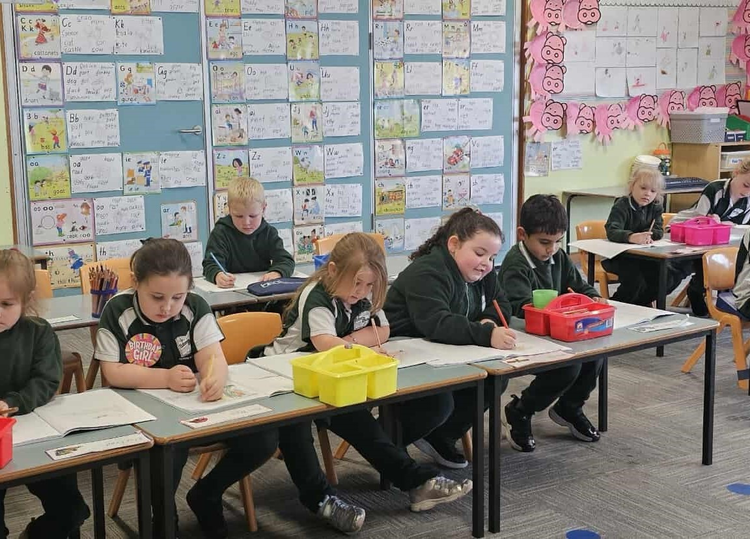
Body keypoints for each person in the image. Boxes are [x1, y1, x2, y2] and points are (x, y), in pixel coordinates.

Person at [258, 233, 472, 528]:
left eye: (369, 285)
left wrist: (349, 341)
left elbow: (382, 331)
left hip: (326, 376)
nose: (362, 291)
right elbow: (324, 343)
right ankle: (320, 499)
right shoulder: (316, 294)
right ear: (333, 271)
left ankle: (415, 482)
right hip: (281, 376)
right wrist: (354, 346)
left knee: (358, 418)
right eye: (356, 283)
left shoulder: (364, 293)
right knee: (295, 425)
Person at [95, 239, 277, 539]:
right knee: (166, 453)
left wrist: (214, 376)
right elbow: (112, 372)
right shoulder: (117, 310)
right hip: (141, 410)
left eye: (177, 297)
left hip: (190, 407)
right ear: (135, 283)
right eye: (156, 297)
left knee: (264, 438)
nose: (167, 307)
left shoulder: (196, 306)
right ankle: (165, 519)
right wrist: (164, 378)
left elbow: (213, 356)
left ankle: (207, 493)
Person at [384, 208, 516, 468]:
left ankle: (441, 435)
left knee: (495, 380)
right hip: (406, 356)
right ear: (454, 244)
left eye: (492, 257)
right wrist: (487, 333)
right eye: (479, 253)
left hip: (448, 352)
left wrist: (488, 320)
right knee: (439, 401)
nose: (486, 263)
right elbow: (437, 323)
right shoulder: (427, 272)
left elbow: (501, 302)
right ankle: (385, 445)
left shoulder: (484, 274)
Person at [497, 195, 605, 452]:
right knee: (567, 368)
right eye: (544, 242)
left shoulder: (560, 257)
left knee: (595, 355)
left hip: (559, 332)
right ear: (523, 234)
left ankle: (569, 407)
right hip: (525, 337)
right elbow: (521, 307)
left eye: (558, 241)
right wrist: (562, 308)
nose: (552, 249)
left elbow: (580, 287)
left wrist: (592, 297)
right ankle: (520, 410)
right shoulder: (516, 264)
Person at [0, 249, 91, 538]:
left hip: (35, 432)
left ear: (25, 302)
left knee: (71, 510)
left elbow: (46, 381)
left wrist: (12, 402)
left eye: (5, 304)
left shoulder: (39, 333)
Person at [671, 160, 750, 316]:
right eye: (746, 185)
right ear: (736, 173)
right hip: (686, 235)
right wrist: (716, 223)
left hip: (722, 242)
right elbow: (700, 220)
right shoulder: (715, 189)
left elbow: (746, 228)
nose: (748, 192)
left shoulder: (748, 200)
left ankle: (717, 297)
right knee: (704, 262)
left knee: (735, 258)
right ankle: (696, 291)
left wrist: (727, 226)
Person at [602, 167, 681, 306]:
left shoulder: (656, 207)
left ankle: (640, 304)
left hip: (646, 256)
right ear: (632, 186)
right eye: (643, 188)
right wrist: (631, 237)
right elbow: (612, 230)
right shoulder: (621, 205)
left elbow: (658, 229)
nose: (647, 194)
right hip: (619, 256)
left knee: (668, 277)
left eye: (653, 191)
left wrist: (649, 234)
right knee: (636, 280)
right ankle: (615, 306)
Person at [202, 177, 294, 288]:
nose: (246, 222)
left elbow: (286, 260)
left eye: (253, 216)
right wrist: (218, 275)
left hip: (262, 292)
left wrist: (277, 272)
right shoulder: (221, 233)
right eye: (239, 216)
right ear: (229, 210)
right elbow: (210, 264)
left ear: (263, 209)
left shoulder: (269, 233)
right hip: (231, 293)